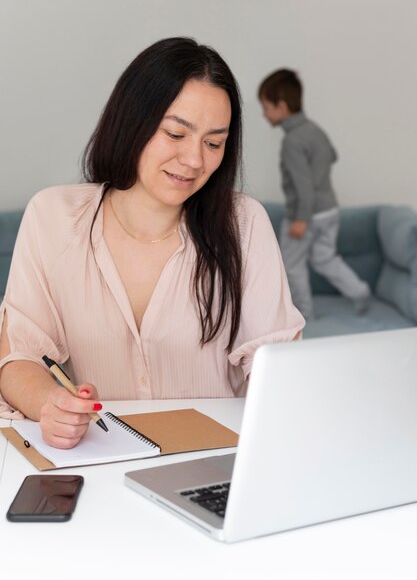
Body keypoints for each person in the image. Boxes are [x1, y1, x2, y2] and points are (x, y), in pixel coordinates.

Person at [0, 38, 304, 449]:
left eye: (213, 143)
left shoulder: (245, 224)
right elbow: (19, 355)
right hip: (96, 456)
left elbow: (277, 366)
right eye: (176, 133)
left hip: (213, 458)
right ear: (132, 123)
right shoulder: (53, 217)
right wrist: (50, 404)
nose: (195, 160)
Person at [258, 68, 370, 320]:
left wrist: (301, 219)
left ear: (282, 106)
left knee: (291, 265)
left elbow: (303, 185)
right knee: (324, 259)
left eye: (266, 107)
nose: (264, 114)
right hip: (329, 209)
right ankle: (359, 291)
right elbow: (332, 155)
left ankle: (302, 315)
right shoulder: (315, 130)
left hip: (305, 214)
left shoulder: (292, 142)